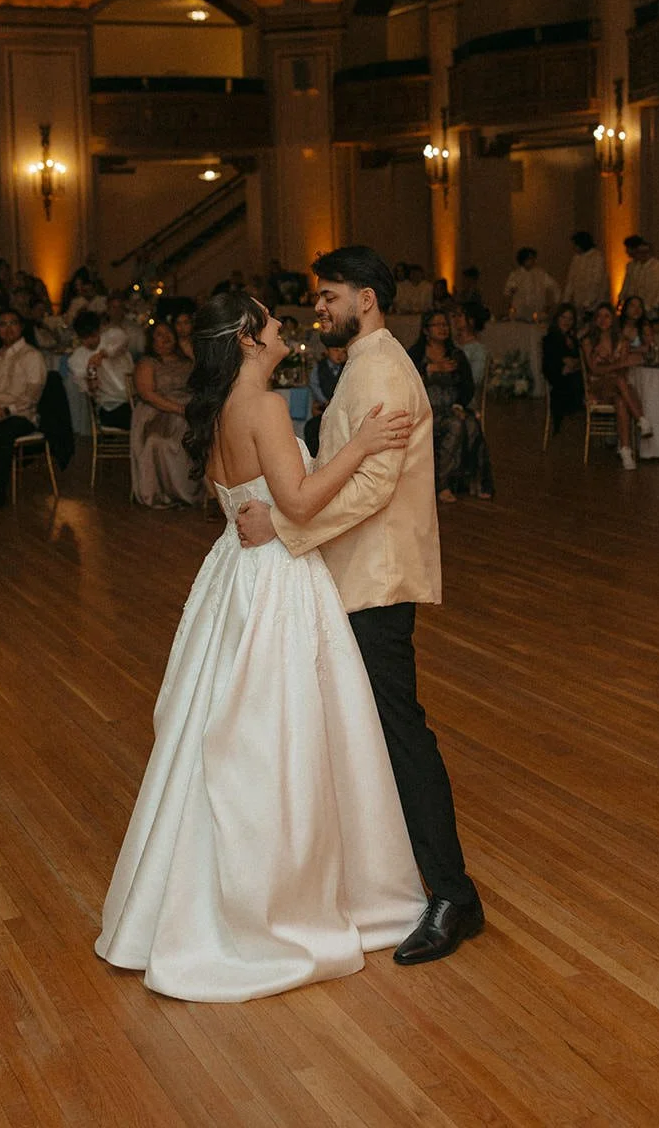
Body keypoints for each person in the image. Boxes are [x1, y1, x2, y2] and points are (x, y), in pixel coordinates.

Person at [95, 289, 425, 1000]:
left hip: (229, 576)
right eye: (271, 320)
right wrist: (364, 446)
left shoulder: (220, 409)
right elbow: (298, 504)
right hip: (274, 580)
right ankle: (274, 901)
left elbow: (263, 503)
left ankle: (186, 900)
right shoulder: (264, 406)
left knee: (221, 733)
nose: (283, 326)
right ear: (248, 340)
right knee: (282, 736)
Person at [237, 246, 485, 966]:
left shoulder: (380, 370)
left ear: (367, 300)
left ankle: (451, 894)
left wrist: (282, 529)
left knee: (399, 730)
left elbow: (374, 488)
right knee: (370, 732)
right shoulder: (362, 364)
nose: (317, 309)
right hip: (350, 571)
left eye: (328, 297)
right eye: (318, 299)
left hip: (374, 580)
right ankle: (393, 880)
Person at [0, 309, 47, 508]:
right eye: (2, 324)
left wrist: (7, 411)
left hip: (21, 415)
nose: (8, 329)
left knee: (5, 434)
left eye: (12, 323)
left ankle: (0, 493)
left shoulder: (32, 356)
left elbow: (33, 395)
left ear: (21, 326)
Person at [130, 321, 202, 508]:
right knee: (160, 442)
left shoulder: (186, 361)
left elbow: (206, 378)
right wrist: (179, 409)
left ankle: (202, 493)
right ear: (151, 341)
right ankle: (168, 493)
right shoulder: (147, 363)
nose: (166, 338)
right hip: (157, 414)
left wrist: (190, 352)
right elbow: (147, 394)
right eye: (160, 335)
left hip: (189, 412)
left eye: (169, 333)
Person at [408, 309, 475, 504]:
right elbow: (407, 381)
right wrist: (432, 369)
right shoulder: (416, 353)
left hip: (450, 407)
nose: (443, 329)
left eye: (445, 325)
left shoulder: (456, 354)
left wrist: (458, 405)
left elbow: (467, 386)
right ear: (426, 330)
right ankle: (438, 484)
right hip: (424, 409)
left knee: (467, 424)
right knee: (454, 425)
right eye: (438, 325)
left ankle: (454, 482)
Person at [583, 302, 652, 470]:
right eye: (599, 316)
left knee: (621, 398)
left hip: (616, 387)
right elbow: (594, 369)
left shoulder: (622, 341)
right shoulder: (588, 341)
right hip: (598, 386)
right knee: (619, 380)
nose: (603, 320)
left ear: (613, 319)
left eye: (607, 316)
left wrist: (613, 365)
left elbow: (624, 368)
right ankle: (641, 419)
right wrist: (615, 365)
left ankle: (625, 451)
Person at [444, 305, 495, 499]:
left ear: (471, 321)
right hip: (448, 396)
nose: (455, 319)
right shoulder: (450, 346)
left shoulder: (478, 350)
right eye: (454, 315)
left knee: (468, 422)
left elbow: (473, 381)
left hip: (466, 398)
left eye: (459, 316)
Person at [68, 309, 133, 430]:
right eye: (84, 338)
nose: (90, 341)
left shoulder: (111, 336)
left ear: (99, 330)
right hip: (110, 406)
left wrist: (102, 355)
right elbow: (87, 388)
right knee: (139, 419)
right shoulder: (77, 358)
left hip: (135, 399)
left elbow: (123, 340)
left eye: (93, 335)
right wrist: (90, 372)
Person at [542, 303, 584, 434]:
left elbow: (580, 360)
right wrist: (575, 364)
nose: (567, 322)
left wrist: (577, 364)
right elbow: (562, 361)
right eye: (563, 317)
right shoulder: (551, 337)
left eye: (570, 319)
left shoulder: (572, 338)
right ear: (557, 318)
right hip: (557, 375)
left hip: (570, 374)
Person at [305, 342, 347, 456]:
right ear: (327, 351)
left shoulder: (347, 368)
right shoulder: (319, 367)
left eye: (343, 352)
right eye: (336, 351)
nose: (339, 355)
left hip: (341, 408)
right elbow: (314, 384)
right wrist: (324, 400)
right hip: (323, 407)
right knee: (313, 428)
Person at [563, 231, 609, 319]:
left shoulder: (597, 257)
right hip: (579, 303)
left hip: (594, 304)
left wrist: (588, 302)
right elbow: (571, 281)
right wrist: (566, 301)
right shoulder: (576, 259)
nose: (574, 248)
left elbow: (596, 281)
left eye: (575, 245)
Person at [617, 237, 659, 315]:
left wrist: (644, 308)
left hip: (655, 306)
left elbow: (653, 290)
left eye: (644, 252)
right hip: (640, 306)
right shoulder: (635, 266)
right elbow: (629, 285)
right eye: (640, 252)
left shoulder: (656, 266)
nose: (642, 255)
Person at [503, 248, 558, 320]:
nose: (532, 261)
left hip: (537, 312)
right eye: (529, 259)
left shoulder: (541, 274)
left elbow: (554, 287)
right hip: (519, 312)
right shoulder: (515, 275)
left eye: (533, 258)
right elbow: (507, 293)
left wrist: (550, 305)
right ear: (523, 260)